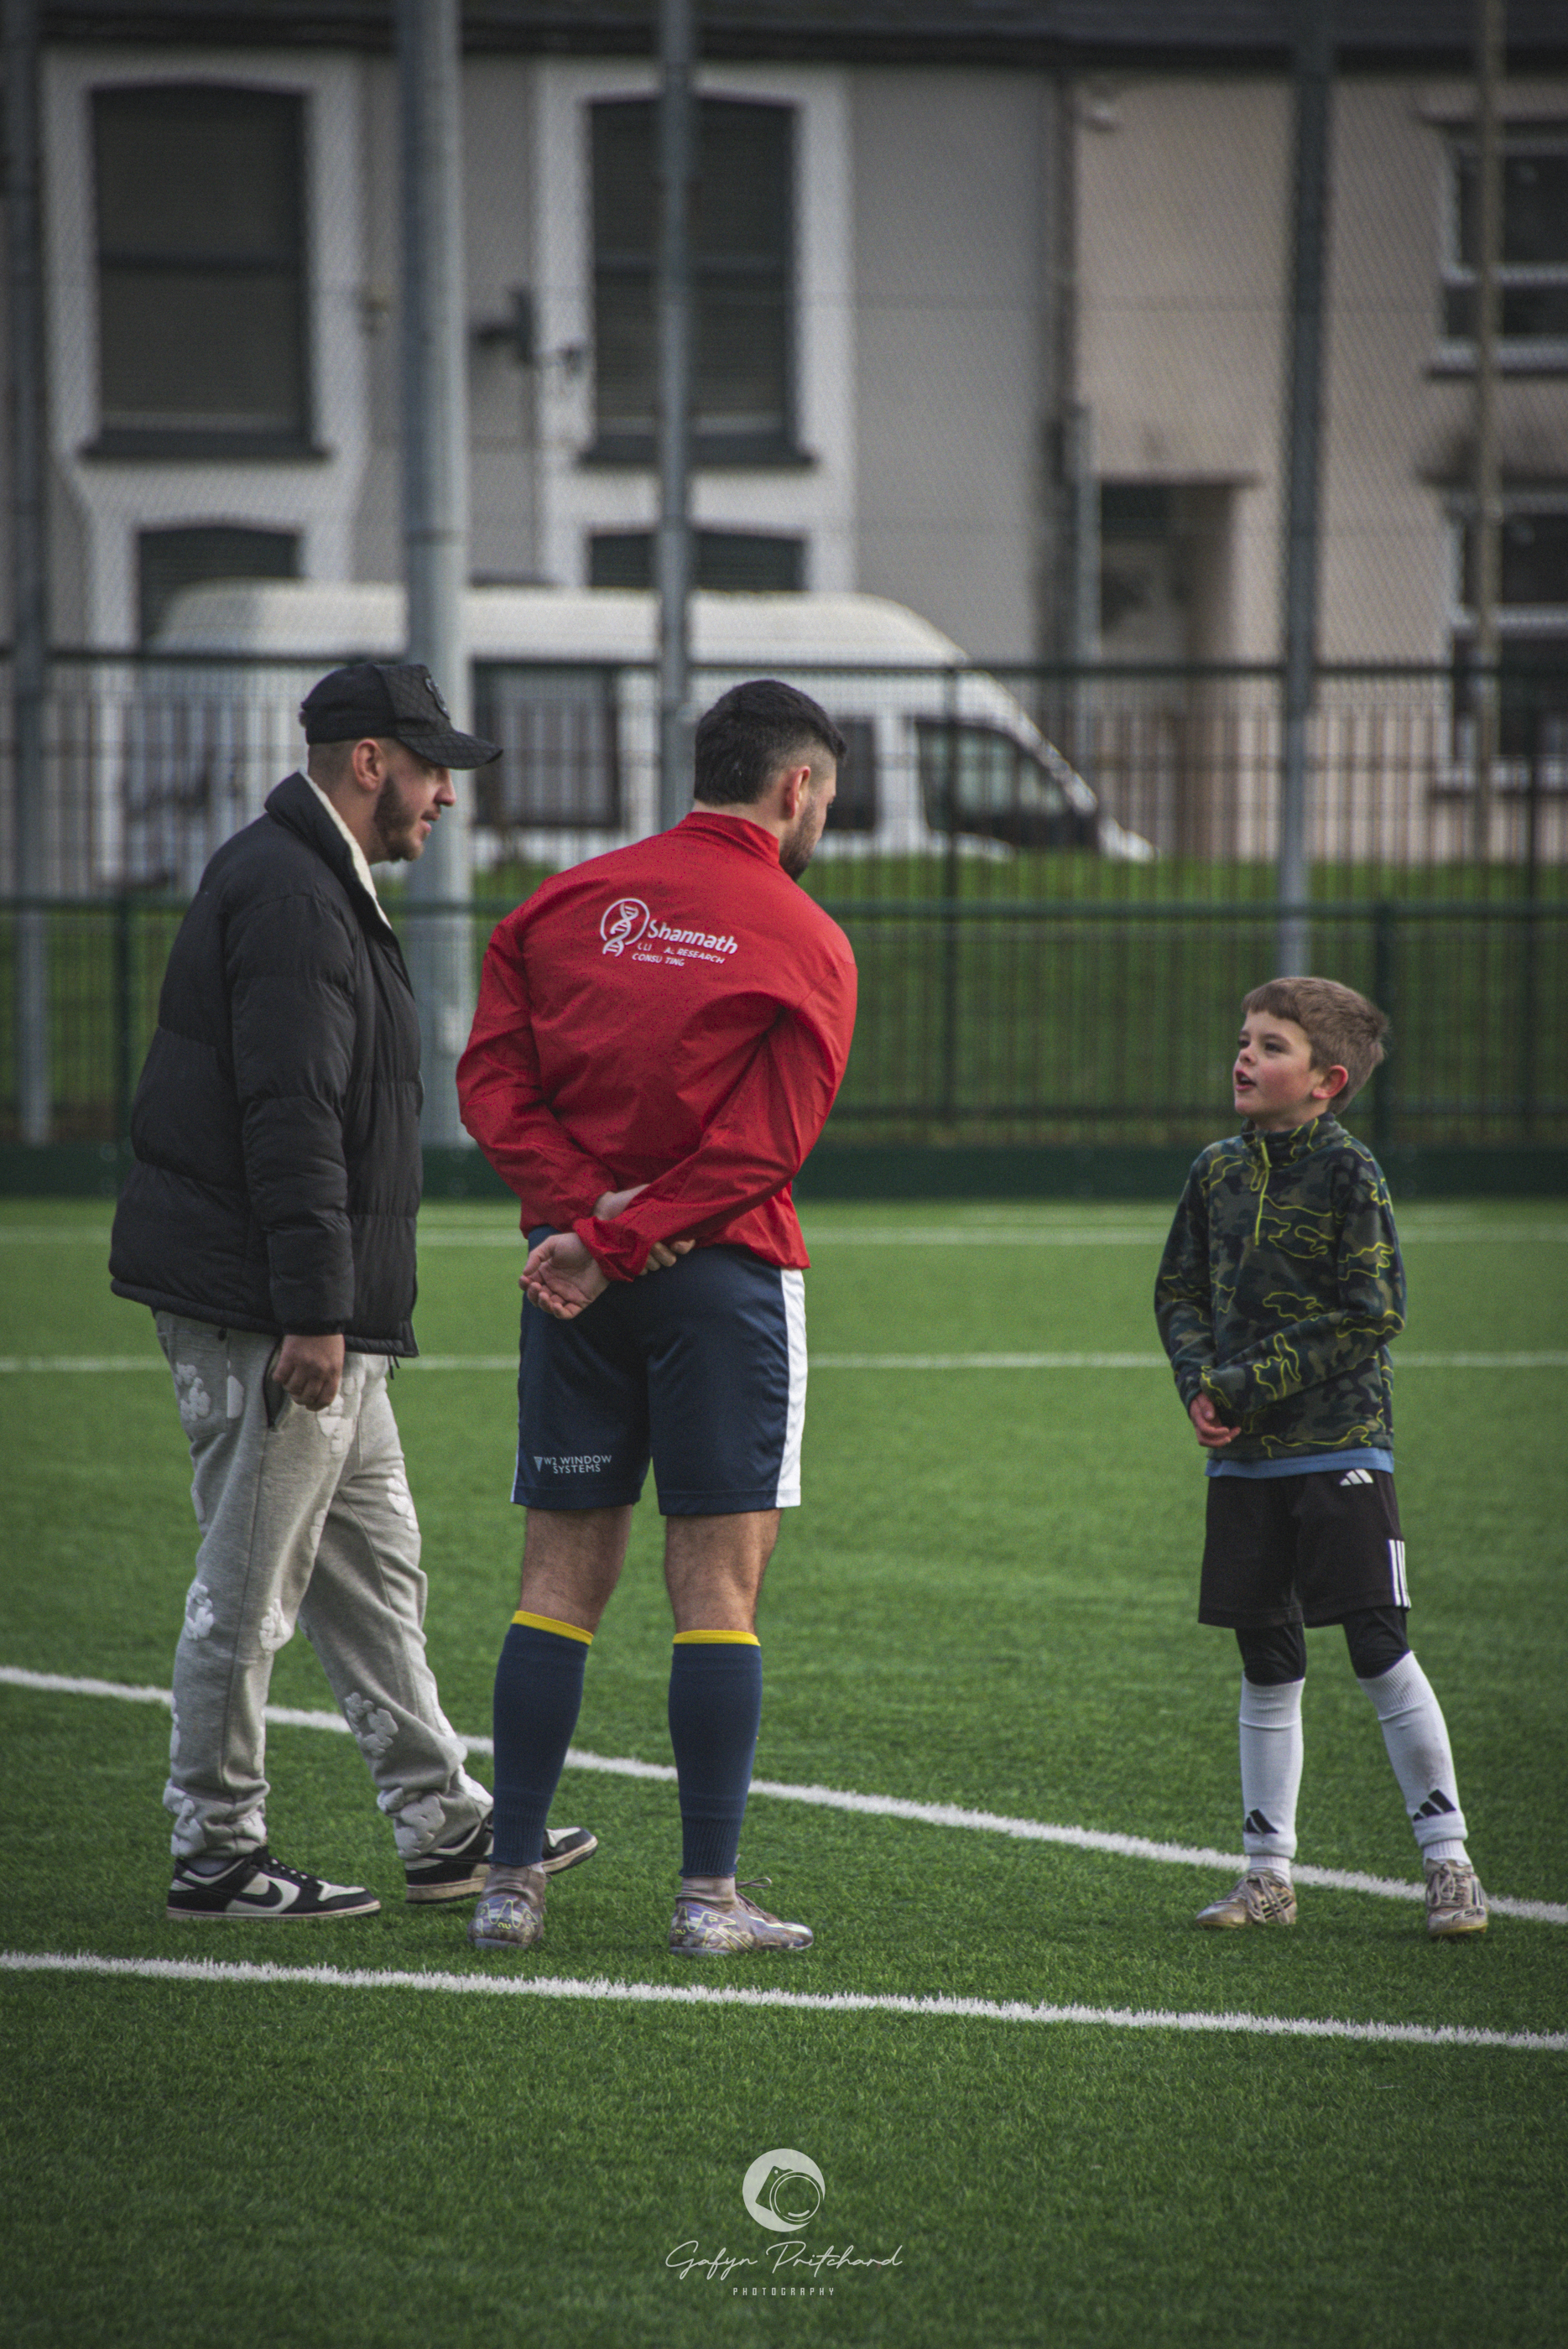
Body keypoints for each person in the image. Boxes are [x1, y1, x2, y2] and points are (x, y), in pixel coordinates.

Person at [109, 661, 595, 1920]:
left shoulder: (311, 879)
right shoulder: (291, 894)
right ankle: (215, 1850)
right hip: (280, 1311)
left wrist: (336, 1309)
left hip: (319, 1307)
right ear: (367, 761)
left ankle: (441, 1824)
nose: (447, 795)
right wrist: (316, 1313)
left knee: (375, 1569)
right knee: (252, 1579)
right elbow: (291, 1119)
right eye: (434, 768)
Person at [456, 678, 857, 1957]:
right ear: (797, 788)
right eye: (827, 800)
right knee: (717, 1589)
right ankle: (706, 1902)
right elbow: (765, 1148)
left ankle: (510, 1882)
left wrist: (578, 1225)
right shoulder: (804, 935)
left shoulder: (559, 905)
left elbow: (489, 1083)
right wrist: (623, 1235)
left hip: (567, 1283)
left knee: (556, 1579)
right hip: (718, 1281)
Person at [1154, 977, 1487, 1939]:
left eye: (1270, 1046)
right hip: (1245, 1462)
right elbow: (1176, 1288)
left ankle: (1448, 1861)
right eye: (1244, 1038)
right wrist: (1196, 1384)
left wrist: (1245, 1381)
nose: (1244, 1057)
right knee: (1267, 1659)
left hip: (1341, 1447)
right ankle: (1268, 1875)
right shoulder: (1216, 1170)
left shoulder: (1351, 1175)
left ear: (1327, 1080)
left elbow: (1374, 1311)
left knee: (1378, 1646)